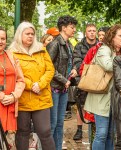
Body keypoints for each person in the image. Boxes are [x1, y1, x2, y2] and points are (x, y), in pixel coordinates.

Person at [9, 21, 55, 150]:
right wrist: (31, 85)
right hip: (23, 98)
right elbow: (14, 74)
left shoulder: (41, 49)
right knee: (23, 132)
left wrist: (40, 85)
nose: (30, 36)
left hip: (42, 97)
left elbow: (50, 69)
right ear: (20, 35)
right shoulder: (12, 52)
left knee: (45, 132)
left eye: (32, 34)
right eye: (27, 34)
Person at [84, 24, 121, 150]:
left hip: (115, 99)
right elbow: (108, 66)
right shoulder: (104, 49)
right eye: (120, 36)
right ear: (112, 37)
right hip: (101, 98)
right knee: (101, 134)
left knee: (111, 134)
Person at [46, 15, 78, 150]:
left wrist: (74, 70)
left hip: (63, 90)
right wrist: (64, 80)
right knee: (52, 124)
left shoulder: (69, 44)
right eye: (72, 27)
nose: (74, 30)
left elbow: (69, 63)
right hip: (53, 89)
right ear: (63, 28)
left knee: (60, 123)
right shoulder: (54, 43)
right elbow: (48, 67)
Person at [0, 26, 25, 147]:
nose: (0, 41)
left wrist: (14, 96)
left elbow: (21, 80)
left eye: (3, 38)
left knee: (6, 143)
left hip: (10, 105)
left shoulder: (11, 56)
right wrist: (0, 96)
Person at [73, 23, 98, 141]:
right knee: (81, 106)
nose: (92, 32)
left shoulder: (101, 45)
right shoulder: (79, 46)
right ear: (85, 33)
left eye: (94, 30)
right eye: (89, 31)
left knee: (96, 106)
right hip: (83, 79)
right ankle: (79, 129)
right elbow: (77, 62)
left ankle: (95, 129)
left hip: (98, 81)